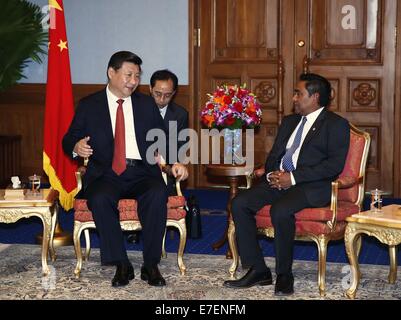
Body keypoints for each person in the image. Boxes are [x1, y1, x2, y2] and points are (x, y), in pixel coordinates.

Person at [62, 51, 188, 288]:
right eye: (129, 75)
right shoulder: (90, 105)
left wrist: (174, 164)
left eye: (137, 76)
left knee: (157, 192)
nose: (133, 81)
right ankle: (121, 263)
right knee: (99, 198)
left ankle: (151, 265)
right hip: (106, 173)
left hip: (141, 171)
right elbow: (69, 139)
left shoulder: (145, 104)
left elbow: (161, 140)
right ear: (112, 72)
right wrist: (76, 146)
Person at [223, 73, 350, 296]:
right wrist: (273, 173)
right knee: (240, 202)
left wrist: (291, 178)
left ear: (315, 97)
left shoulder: (336, 124)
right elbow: (274, 155)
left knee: (281, 210)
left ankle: (284, 274)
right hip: (277, 181)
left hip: (310, 186)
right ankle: (258, 269)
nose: (293, 98)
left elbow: (333, 166)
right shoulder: (290, 122)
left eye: (298, 93)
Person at [127, 69, 189, 244]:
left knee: (159, 191)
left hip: (165, 169)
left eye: (167, 95)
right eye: (158, 94)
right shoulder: (134, 110)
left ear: (174, 93)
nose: (162, 100)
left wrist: (164, 159)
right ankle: (134, 227)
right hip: (137, 166)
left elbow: (180, 149)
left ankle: (152, 230)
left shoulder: (180, 115)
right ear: (149, 89)